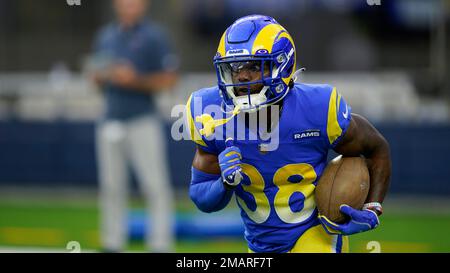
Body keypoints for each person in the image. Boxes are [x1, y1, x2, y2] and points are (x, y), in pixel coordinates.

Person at [185, 15, 391, 253]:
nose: (241, 76)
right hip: (259, 244)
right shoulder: (210, 112)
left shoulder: (317, 108)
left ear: (281, 66)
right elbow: (201, 197)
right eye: (235, 67)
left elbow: (376, 148)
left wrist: (372, 206)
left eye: (254, 66)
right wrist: (224, 184)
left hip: (316, 237)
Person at [90, 0, 178, 252]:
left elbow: (169, 79)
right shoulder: (105, 36)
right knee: (111, 187)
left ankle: (160, 244)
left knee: (155, 186)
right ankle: (112, 243)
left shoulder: (155, 36)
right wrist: (98, 77)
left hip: (142, 119)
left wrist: (134, 79)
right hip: (110, 120)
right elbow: (97, 82)